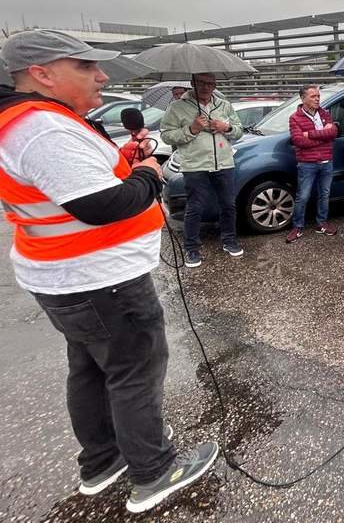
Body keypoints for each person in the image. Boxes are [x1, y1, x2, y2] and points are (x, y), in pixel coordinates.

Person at [0, 30, 218, 514]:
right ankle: (155, 472)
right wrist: (148, 174)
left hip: (70, 279)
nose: (101, 75)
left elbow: (78, 186)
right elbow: (102, 204)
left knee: (93, 370)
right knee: (135, 372)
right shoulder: (44, 129)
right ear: (42, 74)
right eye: (84, 66)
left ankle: (103, 461)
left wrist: (126, 160)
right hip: (100, 282)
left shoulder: (37, 121)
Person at [160, 73, 244, 268]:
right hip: (195, 165)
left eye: (211, 84)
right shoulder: (177, 107)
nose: (207, 87)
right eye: (201, 83)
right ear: (192, 84)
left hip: (224, 163)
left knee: (228, 205)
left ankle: (229, 240)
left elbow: (239, 130)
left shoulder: (224, 105)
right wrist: (192, 129)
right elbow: (166, 135)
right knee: (195, 207)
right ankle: (191, 248)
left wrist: (227, 127)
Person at [286, 84, 338, 243]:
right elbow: (298, 141)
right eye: (313, 96)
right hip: (307, 163)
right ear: (303, 98)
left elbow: (333, 133)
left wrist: (311, 134)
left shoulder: (324, 113)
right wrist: (323, 138)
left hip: (326, 162)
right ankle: (298, 226)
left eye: (318, 96)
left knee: (324, 194)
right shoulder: (295, 118)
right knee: (303, 196)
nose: (317, 99)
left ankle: (322, 223)